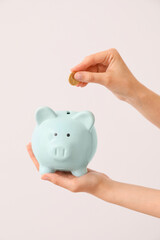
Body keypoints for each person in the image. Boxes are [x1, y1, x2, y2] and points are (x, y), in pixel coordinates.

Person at [27, 48, 160, 218]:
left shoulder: (84, 122)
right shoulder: (45, 120)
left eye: (68, 136)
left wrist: (102, 187)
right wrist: (131, 91)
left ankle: (78, 168)